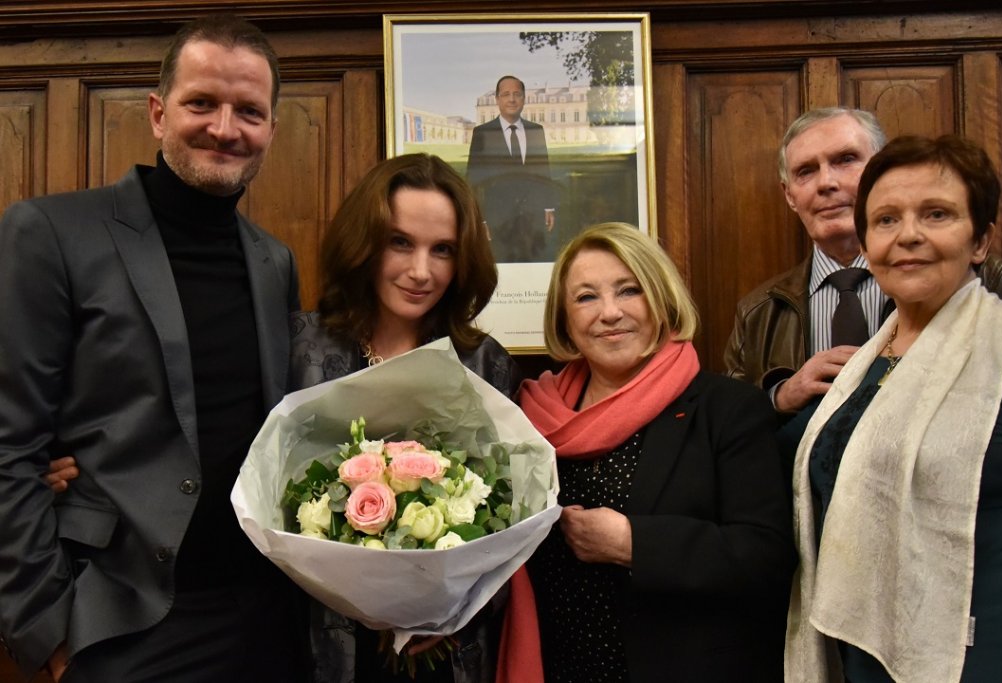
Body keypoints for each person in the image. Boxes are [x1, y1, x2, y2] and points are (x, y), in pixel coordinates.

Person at [0, 13, 308, 683]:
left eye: (249, 111)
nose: (225, 128)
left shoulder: (274, 263)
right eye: (202, 102)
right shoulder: (51, 233)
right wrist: (44, 627)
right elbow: (8, 443)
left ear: (272, 131)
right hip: (121, 626)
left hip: (267, 622)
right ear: (158, 111)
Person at [786, 135, 1002, 681]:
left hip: (984, 657)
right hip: (861, 658)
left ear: (981, 240)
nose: (909, 236)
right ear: (867, 246)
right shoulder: (859, 368)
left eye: (936, 214)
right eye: (887, 220)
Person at [518, 223, 795, 682]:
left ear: (662, 300)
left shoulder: (728, 410)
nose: (609, 313)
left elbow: (767, 556)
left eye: (629, 291)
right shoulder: (531, 419)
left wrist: (634, 544)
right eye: (586, 297)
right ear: (564, 318)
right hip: (559, 667)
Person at [289, 153, 521, 683]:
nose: (422, 271)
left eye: (442, 250)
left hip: (445, 647)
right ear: (364, 242)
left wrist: (462, 605)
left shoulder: (486, 362)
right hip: (316, 638)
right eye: (400, 242)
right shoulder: (299, 347)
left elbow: (512, 514)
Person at [724, 107, 1002, 414]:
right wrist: (779, 397)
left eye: (846, 160)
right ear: (790, 195)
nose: (826, 182)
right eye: (806, 171)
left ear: (880, 171)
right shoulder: (757, 312)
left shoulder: (984, 276)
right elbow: (726, 422)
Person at [465, 74, 560, 263]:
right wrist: (480, 219)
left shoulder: (536, 130)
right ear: (497, 99)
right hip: (497, 218)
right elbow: (473, 180)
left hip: (532, 217)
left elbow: (543, 169)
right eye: (506, 94)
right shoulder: (483, 133)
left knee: (532, 264)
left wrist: (549, 206)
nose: (512, 99)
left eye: (517, 94)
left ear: (524, 99)